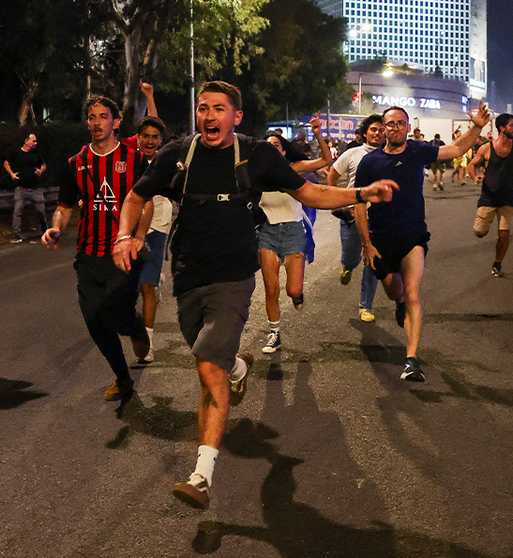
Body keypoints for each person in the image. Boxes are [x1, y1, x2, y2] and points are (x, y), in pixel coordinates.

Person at [113, 80, 399, 510]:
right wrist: (124, 235)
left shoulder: (257, 155)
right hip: (189, 276)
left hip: (233, 277)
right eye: (203, 108)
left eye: (219, 109)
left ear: (237, 116)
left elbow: (311, 192)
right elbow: (136, 196)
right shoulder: (178, 156)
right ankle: (238, 366)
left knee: (207, 366)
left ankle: (201, 476)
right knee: (209, 355)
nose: (209, 116)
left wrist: (361, 193)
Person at [355, 103, 490, 383]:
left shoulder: (418, 151)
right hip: (381, 238)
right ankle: (399, 302)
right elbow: (358, 204)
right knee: (395, 292)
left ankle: (411, 361)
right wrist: (366, 244)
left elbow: (456, 150)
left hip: (413, 234)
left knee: (413, 294)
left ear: (408, 127)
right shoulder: (370, 162)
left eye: (400, 123)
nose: (395, 128)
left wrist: (477, 127)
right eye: (390, 124)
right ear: (383, 128)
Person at [44, 96, 153, 400]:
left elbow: (146, 203)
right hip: (88, 254)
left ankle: (134, 325)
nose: (96, 123)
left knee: (115, 314)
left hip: (123, 252)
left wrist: (138, 237)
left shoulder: (135, 159)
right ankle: (123, 378)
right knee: (94, 319)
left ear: (116, 122)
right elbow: (64, 207)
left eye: (103, 116)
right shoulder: (76, 163)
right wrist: (56, 228)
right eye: (92, 117)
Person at [258, 117, 334, 354]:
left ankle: (297, 295)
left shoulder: (293, 169)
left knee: (293, 290)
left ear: (283, 151)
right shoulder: (256, 172)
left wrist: (318, 133)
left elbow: (326, 160)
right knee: (271, 289)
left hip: (294, 233)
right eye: (268, 146)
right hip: (268, 232)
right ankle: (274, 334)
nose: (272, 149)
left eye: (276, 146)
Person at [326, 114, 385, 322]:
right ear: (365, 133)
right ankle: (347, 266)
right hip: (352, 215)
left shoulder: (391, 155)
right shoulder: (353, 153)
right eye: (373, 129)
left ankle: (365, 306)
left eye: (381, 130)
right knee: (351, 257)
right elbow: (332, 175)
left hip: (378, 218)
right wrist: (337, 203)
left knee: (373, 259)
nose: (377, 133)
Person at [467, 114, 513, 277]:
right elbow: (472, 164)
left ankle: (497, 263)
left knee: (504, 234)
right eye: (511, 126)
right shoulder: (486, 148)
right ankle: (486, 224)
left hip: (507, 198)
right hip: (488, 197)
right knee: (480, 232)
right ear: (502, 128)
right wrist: (475, 177)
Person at [129, 115, 170, 364]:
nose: (150, 141)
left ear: (161, 140)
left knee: (146, 286)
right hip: (130, 229)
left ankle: (149, 344)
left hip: (158, 226)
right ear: (138, 138)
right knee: (127, 289)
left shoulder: (166, 162)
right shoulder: (129, 161)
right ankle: (157, 280)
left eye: (155, 137)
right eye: (145, 136)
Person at [4, 132, 47, 243]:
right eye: (33, 141)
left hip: (35, 188)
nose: (35, 143)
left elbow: (43, 165)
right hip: (21, 187)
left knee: (41, 211)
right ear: (26, 141)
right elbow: (6, 163)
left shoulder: (36, 153)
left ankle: (45, 232)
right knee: (17, 212)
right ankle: (17, 235)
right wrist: (12, 174)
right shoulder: (17, 153)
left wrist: (40, 171)